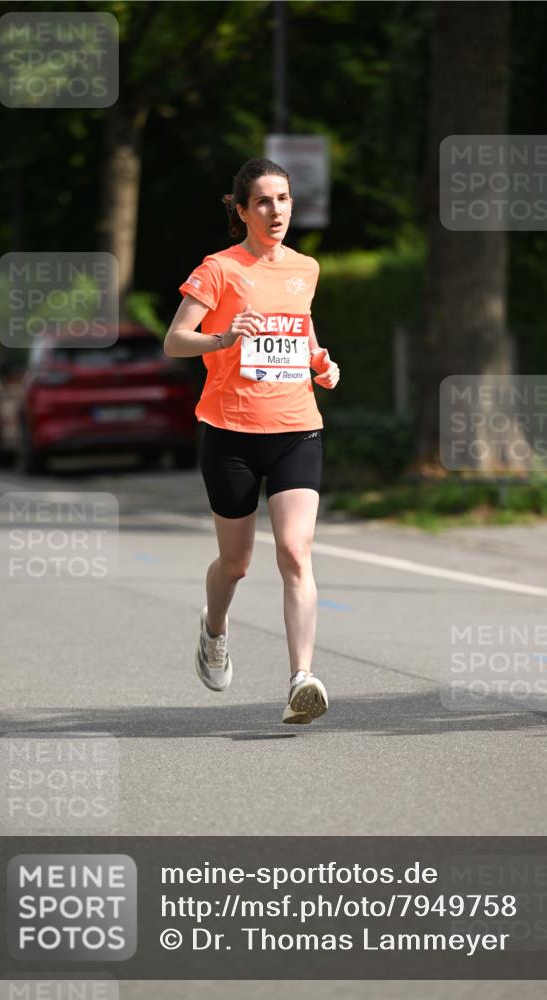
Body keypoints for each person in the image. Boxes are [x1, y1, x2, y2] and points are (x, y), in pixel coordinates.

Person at [164, 158, 340, 724]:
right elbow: (175, 341)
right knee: (236, 563)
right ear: (241, 211)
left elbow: (300, 325)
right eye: (263, 201)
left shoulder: (305, 268)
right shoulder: (219, 269)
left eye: (283, 199)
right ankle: (214, 629)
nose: (276, 210)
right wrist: (222, 337)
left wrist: (319, 362)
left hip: (297, 428)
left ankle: (301, 679)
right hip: (231, 434)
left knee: (295, 551)